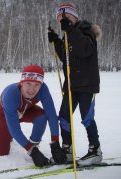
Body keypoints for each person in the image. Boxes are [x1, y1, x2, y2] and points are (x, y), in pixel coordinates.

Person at [48, 4, 102, 166]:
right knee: (64, 117)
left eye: (65, 18)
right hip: (71, 85)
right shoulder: (69, 34)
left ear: (74, 17)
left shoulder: (86, 31)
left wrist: (70, 30)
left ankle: (95, 151)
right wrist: (57, 40)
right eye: (60, 20)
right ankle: (68, 150)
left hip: (87, 84)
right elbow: (67, 58)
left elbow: (85, 50)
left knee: (87, 118)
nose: (62, 21)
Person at [0, 64, 66, 167]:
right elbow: (14, 128)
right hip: (6, 115)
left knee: (42, 117)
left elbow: (51, 115)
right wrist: (32, 151)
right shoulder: (10, 94)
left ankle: (34, 145)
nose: (32, 90)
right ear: (22, 82)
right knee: (0, 152)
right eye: (28, 83)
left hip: (28, 110)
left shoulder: (43, 89)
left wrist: (55, 142)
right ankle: (26, 146)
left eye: (37, 85)